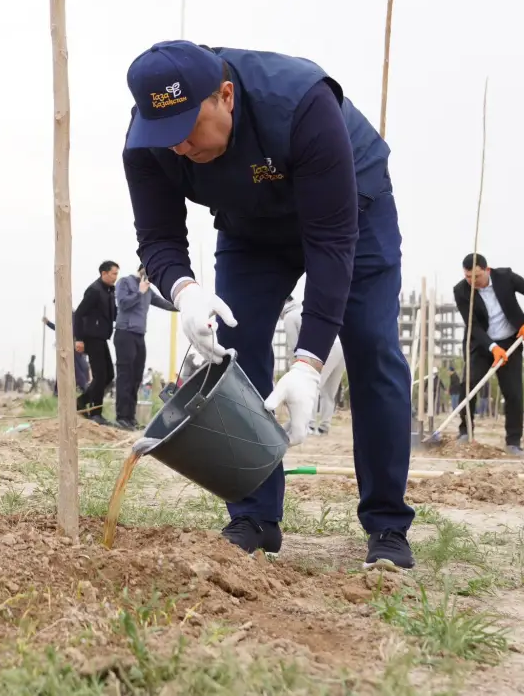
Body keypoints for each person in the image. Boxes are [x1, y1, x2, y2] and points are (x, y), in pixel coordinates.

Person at [122, 40, 414, 568]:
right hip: (251, 226)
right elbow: (158, 236)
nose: (180, 148)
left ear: (226, 96)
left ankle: (387, 524)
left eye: (189, 130)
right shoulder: (148, 143)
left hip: (352, 212)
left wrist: (308, 361)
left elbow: (330, 243)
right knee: (235, 344)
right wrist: (185, 291)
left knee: (371, 346)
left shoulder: (301, 103)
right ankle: (254, 517)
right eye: (166, 138)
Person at [454, 254, 524, 454]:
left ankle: (513, 441)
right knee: (468, 385)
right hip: (481, 344)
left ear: (487, 270)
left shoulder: (506, 277)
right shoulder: (461, 291)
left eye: (476, 277)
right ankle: (465, 432)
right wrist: (493, 348)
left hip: (511, 341)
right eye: (468, 277)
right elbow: (474, 326)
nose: (472, 282)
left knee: (513, 392)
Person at [113, 264, 176, 430]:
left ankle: (130, 418)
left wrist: (184, 305)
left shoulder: (148, 289)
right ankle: (121, 417)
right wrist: (139, 292)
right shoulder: (125, 282)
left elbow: (165, 304)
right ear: (142, 268)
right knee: (125, 376)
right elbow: (123, 304)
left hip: (139, 335)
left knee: (136, 377)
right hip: (125, 332)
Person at [281, 295, 345, 435]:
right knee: (329, 390)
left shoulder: (289, 317)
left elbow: (293, 347)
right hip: (340, 346)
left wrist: (296, 369)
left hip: (326, 349)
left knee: (312, 385)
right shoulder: (303, 308)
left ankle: (308, 425)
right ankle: (324, 426)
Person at [74, 261, 119, 423]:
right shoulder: (94, 291)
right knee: (100, 376)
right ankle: (95, 413)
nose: (116, 277)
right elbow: (78, 314)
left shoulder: (108, 291)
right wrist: (78, 339)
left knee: (109, 375)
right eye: (114, 274)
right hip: (91, 337)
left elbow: (112, 314)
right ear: (104, 273)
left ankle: (81, 402)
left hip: (101, 338)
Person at [43, 313, 90, 394]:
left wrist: (48, 323)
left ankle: (83, 387)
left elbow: (64, 329)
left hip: (72, 347)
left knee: (77, 368)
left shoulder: (72, 315)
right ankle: (58, 391)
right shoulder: (71, 316)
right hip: (70, 346)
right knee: (64, 368)